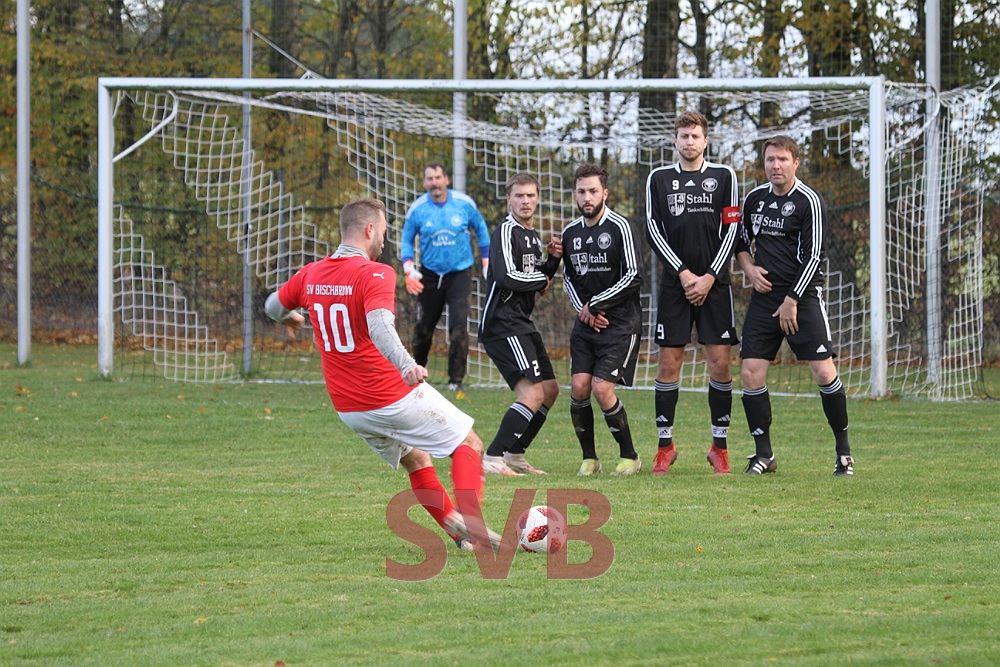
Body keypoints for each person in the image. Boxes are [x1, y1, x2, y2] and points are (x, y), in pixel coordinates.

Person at [264, 197, 501, 552]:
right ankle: (472, 521)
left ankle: (463, 538)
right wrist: (407, 364)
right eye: (385, 232)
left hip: (350, 409)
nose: (385, 241)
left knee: (417, 460)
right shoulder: (374, 272)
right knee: (469, 444)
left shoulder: (311, 274)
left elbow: (272, 306)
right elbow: (379, 326)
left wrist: (291, 316)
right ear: (370, 229)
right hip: (388, 394)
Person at [736, 135, 854, 476]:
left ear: (796, 163)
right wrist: (749, 269)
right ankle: (764, 455)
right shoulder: (754, 199)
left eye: (783, 159)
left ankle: (844, 453)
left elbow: (814, 256)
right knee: (750, 372)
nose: (776, 165)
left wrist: (792, 300)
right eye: (770, 159)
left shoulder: (808, 201)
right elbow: (740, 241)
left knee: (823, 372)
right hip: (764, 299)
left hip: (802, 298)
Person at [645, 111, 742, 476]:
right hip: (676, 285)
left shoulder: (724, 176)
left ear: (706, 141)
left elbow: (732, 228)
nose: (689, 141)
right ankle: (665, 448)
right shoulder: (658, 178)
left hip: (715, 286)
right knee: (669, 363)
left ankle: (719, 448)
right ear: (675, 141)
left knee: (720, 364)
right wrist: (685, 274)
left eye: (695, 136)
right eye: (684, 135)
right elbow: (653, 229)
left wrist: (710, 276)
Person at [562, 164, 645, 476]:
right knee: (579, 387)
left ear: (605, 193)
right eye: (582, 191)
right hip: (586, 324)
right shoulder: (570, 233)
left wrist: (595, 305)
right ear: (575, 194)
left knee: (601, 388)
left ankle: (630, 457)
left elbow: (634, 275)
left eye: (593, 191)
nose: (587, 197)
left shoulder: (621, 227)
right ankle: (590, 459)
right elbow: (568, 278)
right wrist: (584, 310)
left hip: (620, 324)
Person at [478, 173, 563, 476]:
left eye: (530, 195)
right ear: (508, 200)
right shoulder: (505, 231)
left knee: (549, 390)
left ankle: (515, 454)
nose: (525, 201)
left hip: (521, 323)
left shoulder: (532, 236)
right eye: (519, 196)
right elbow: (505, 277)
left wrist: (552, 260)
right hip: (502, 325)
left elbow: (539, 282)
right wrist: (542, 278)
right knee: (531, 394)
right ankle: (492, 457)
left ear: (537, 199)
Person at [401, 163, 491, 396]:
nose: (435, 183)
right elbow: (406, 240)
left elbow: (481, 230)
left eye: (438, 177)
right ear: (424, 183)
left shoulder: (464, 204)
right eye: (430, 178)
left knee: (459, 325)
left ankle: (456, 380)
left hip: (459, 273)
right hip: (429, 275)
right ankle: (417, 372)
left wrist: (486, 261)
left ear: (446, 180)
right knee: (424, 328)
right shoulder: (418, 209)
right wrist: (408, 268)